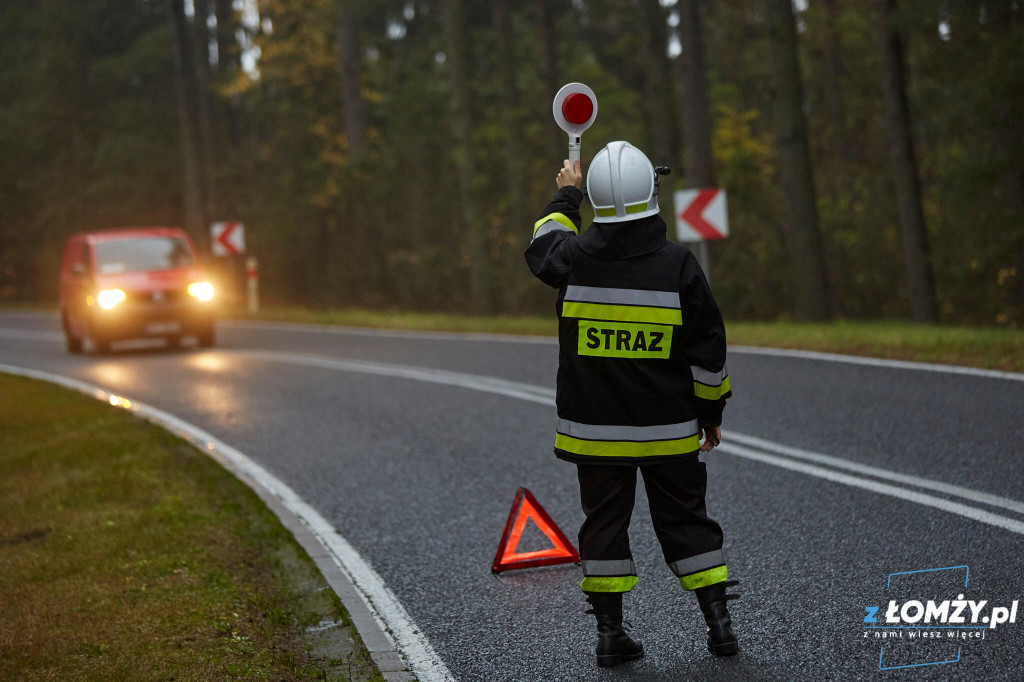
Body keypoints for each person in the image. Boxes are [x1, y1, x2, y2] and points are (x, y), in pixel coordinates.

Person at [524, 141, 739, 667]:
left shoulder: (572, 260)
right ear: (652, 194)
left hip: (594, 433)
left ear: (596, 199)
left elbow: (543, 247)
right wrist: (710, 413)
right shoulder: (678, 264)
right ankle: (719, 624)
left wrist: (567, 196)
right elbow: (707, 350)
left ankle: (609, 636)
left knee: (604, 526)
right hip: (668, 430)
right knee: (688, 520)